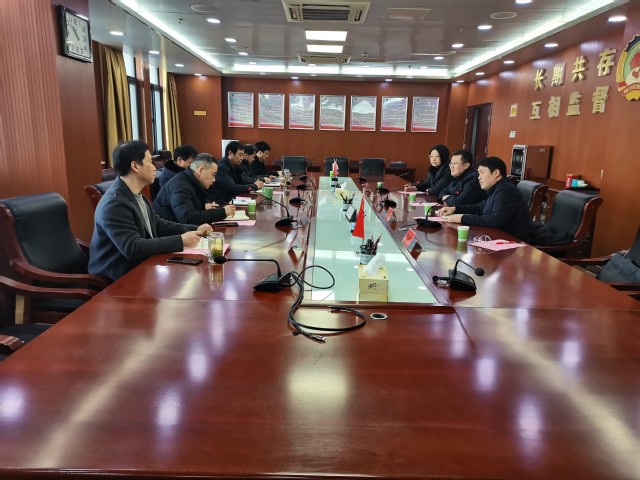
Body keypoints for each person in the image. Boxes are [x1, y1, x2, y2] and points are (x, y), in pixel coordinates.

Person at [89, 140, 211, 282]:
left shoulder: (135, 194)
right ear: (135, 166)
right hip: (118, 277)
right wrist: (180, 241)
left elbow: (158, 224)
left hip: (141, 267)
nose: (154, 167)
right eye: (149, 162)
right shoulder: (114, 203)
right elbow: (132, 247)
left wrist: (195, 229)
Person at [437, 156, 534, 243]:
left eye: (482, 173)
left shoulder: (505, 191)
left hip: (512, 242)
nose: (479, 178)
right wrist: (455, 209)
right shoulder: (497, 188)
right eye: (478, 173)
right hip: (497, 237)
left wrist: (461, 218)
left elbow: (495, 220)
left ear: (496, 173)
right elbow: (480, 207)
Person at [153, 153, 235, 224]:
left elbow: (188, 206)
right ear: (201, 170)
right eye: (213, 174)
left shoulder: (190, 179)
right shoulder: (181, 186)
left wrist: (203, 207)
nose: (214, 180)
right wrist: (222, 212)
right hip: (167, 232)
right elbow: (187, 218)